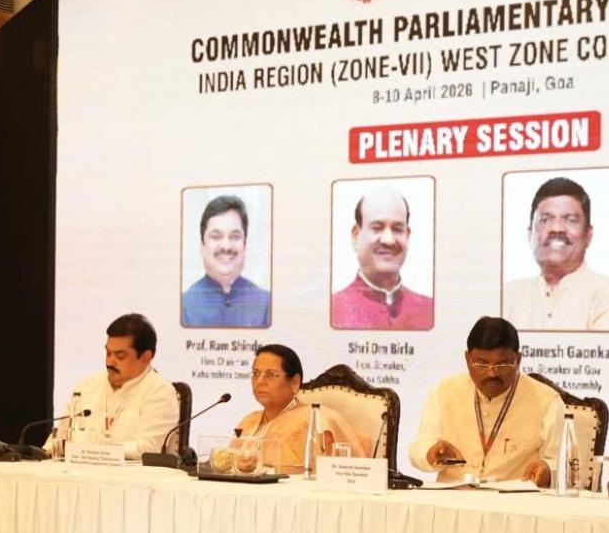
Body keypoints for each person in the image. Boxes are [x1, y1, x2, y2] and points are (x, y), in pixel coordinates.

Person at [409, 316, 564, 486]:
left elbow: (564, 464)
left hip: (515, 500)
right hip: (454, 498)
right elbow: (419, 448)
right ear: (468, 359)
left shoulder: (547, 401)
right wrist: (431, 453)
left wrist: (547, 470)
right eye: (482, 364)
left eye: (502, 365)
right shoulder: (443, 392)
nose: (492, 373)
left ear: (518, 360)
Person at [44, 313, 179, 460]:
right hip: (79, 471)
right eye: (108, 353)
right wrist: (45, 451)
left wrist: (92, 449)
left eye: (120, 355)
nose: (110, 362)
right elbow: (60, 437)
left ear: (146, 357)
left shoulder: (160, 392)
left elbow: (146, 449)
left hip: (133, 474)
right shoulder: (87, 385)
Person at [503, 177, 609, 330]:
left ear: (588, 235)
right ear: (530, 234)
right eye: (545, 220)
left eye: (570, 220)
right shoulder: (508, 296)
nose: (556, 228)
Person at [235, 344, 367, 473]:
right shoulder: (248, 422)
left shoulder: (318, 420)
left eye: (271, 375)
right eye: (256, 373)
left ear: (294, 382)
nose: (259, 381)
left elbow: (338, 476)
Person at [331, 187, 433, 330]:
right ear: (356, 236)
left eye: (397, 229)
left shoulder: (430, 310)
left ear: (407, 235)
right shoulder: (332, 310)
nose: (388, 240)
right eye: (377, 228)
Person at [182, 195, 271, 328]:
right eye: (216, 236)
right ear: (202, 247)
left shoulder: (266, 304)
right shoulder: (184, 306)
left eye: (235, 236)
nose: (226, 246)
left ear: (245, 246)